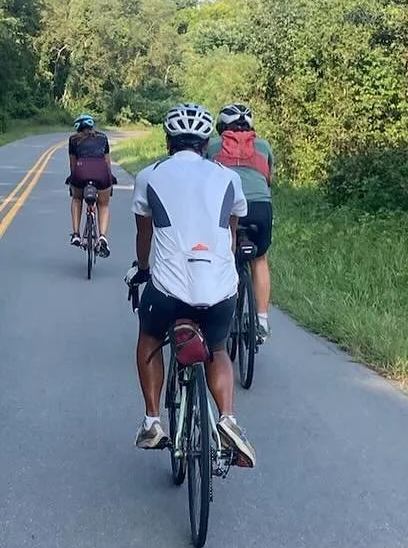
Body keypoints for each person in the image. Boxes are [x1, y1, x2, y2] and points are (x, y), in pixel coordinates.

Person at [124, 103, 257, 467]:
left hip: (169, 287)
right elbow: (231, 229)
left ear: (168, 140)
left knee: (150, 336)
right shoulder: (228, 178)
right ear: (206, 142)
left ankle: (153, 421)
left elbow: (144, 233)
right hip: (219, 286)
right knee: (218, 347)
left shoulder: (149, 175)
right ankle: (227, 418)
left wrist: (142, 268)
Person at [214, 103, 275, 342]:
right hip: (261, 207)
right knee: (259, 259)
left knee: (224, 257)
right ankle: (261, 321)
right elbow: (268, 180)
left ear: (221, 127)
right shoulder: (263, 146)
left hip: (228, 206)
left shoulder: (212, 145)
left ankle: (222, 312)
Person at [66, 114, 116, 257]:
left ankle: (76, 234)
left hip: (81, 171)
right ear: (92, 126)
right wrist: (110, 181)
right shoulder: (103, 138)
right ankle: (102, 237)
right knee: (104, 204)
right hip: (101, 172)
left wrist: (73, 181)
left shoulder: (73, 140)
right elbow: (107, 161)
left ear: (78, 128)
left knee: (76, 198)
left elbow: (73, 163)